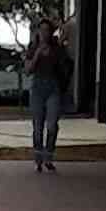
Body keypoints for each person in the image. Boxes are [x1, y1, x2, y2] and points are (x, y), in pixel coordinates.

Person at [26, 11, 72, 176]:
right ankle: (38, 158)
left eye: (47, 30)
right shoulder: (33, 47)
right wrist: (37, 54)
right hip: (38, 88)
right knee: (38, 127)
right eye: (42, 30)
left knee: (52, 125)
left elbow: (65, 65)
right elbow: (28, 70)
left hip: (53, 88)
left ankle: (49, 156)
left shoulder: (57, 48)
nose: (44, 33)